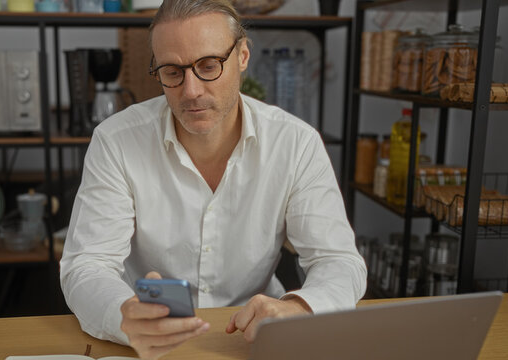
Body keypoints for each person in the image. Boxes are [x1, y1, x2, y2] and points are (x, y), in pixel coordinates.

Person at [60, 0, 367, 359]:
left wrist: (300, 307)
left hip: (251, 336)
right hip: (146, 339)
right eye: (172, 72)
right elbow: (87, 265)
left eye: (208, 65)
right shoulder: (116, 140)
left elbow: (338, 260)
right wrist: (122, 314)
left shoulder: (295, 144)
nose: (191, 91)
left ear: (242, 56)